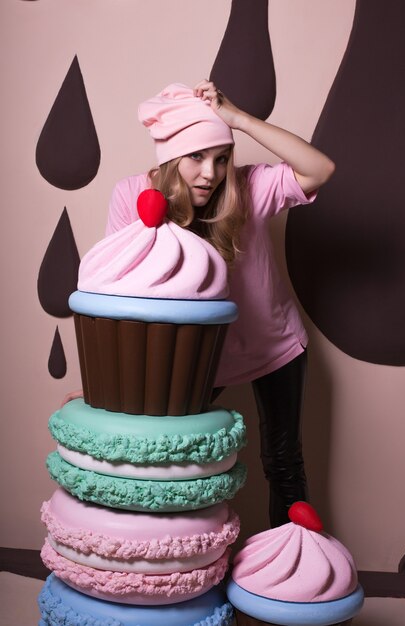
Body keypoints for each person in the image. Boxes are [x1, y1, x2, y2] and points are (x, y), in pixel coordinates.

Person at [84, 80, 335, 527]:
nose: (209, 173)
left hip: (273, 347)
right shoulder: (132, 196)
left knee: (283, 464)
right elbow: (117, 289)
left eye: (221, 158)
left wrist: (237, 119)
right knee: (169, 460)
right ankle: (172, 568)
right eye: (196, 157)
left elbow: (320, 168)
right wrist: (107, 391)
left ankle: (291, 580)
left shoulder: (248, 187)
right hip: (193, 356)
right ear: (170, 157)